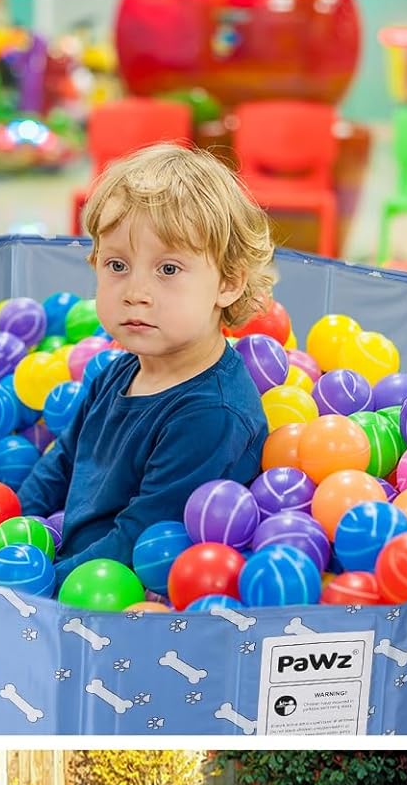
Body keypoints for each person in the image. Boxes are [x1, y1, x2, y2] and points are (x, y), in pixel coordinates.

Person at [19, 143, 273, 577]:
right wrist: (9, 533)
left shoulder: (210, 415)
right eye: (117, 265)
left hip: (126, 604)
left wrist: (40, 586)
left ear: (228, 284)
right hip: (72, 562)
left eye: (168, 269)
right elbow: (62, 461)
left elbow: (142, 542)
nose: (136, 291)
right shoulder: (119, 370)